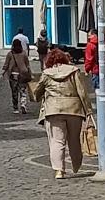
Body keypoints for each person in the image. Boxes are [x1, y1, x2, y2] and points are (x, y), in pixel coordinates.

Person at [31, 47, 93, 177]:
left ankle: (59, 170)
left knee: (57, 141)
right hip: (74, 110)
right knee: (74, 140)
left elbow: (36, 94)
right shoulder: (74, 71)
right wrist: (88, 111)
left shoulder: (47, 74)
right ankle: (76, 164)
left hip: (53, 110)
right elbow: (82, 92)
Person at [2, 36, 32, 113]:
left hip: (13, 74)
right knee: (23, 90)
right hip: (23, 74)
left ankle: (15, 108)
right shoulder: (24, 53)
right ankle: (23, 103)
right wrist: (30, 73)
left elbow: (6, 64)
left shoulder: (10, 54)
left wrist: (3, 72)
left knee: (14, 91)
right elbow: (27, 65)